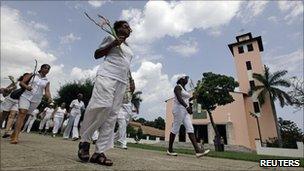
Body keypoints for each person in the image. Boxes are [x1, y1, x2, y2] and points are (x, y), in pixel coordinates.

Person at [78, 20, 133, 166]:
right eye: (125, 26)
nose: (128, 28)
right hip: (107, 76)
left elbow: (126, 66)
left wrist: (130, 80)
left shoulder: (129, 48)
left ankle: (99, 152)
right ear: (117, 28)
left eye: (129, 27)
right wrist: (113, 43)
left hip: (121, 82)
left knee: (112, 115)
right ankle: (85, 141)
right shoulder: (110, 37)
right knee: (102, 106)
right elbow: (97, 54)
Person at [167, 75, 209, 158]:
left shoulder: (184, 89)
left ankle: (198, 151)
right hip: (179, 110)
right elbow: (179, 98)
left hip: (185, 111)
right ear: (181, 80)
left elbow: (187, 99)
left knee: (190, 128)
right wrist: (187, 107)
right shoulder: (177, 87)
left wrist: (193, 97)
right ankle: (170, 149)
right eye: (186, 78)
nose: (187, 79)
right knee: (175, 129)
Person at [10, 64, 52, 144]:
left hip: (36, 100)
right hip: (25, 96)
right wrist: (27, 87)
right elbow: (21, 83)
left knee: (25, 117)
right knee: (22, 113)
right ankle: (15, 137)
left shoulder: (47, 81)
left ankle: (15, 133)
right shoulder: (32, 74)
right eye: (45, 68)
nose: (46, 70)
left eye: (48, 69)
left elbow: (47, 91)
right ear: (41, 68)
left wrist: (49, 98)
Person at [114, 78, 135, 149]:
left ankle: (112, 140)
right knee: (122, 124)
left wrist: (131, 81)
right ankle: (123, 142)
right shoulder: (118, 87)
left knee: (123, 127)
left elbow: (133, 88)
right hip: (119, 107)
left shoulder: (130, 92)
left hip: (128, 110)